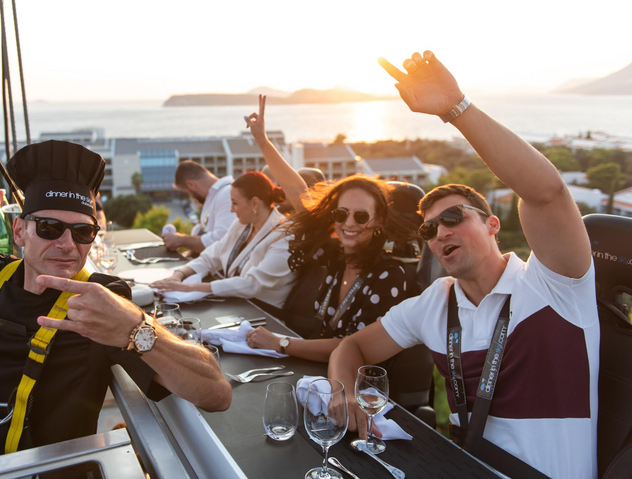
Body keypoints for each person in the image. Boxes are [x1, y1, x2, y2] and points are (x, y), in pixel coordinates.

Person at [0, 140, 231, 464]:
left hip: (56, 470)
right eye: (50, 228)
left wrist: (136, 329)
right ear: (20, 232)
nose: (68, 244)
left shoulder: (104, 301)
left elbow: (215, 393)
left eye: (84, 231)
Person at [329, 51, 597, 479]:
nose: (440, 233)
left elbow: (547, 192)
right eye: (429, 230)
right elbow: (352, 347)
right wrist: (343, 393)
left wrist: (457, 109)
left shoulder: (557, 286)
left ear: (493, 225)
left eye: (454, 218)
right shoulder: (436, 301)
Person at [243, 95, 420, 364]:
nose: (349, 223)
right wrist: (263, 142)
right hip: (319, 375)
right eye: (341, 213)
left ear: (379, 220)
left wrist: (281, 343)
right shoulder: (337, 257)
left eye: (361, 216)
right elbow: (297, 193)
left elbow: (352, 347)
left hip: (361, 389)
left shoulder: (390, 275)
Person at [151, 171, 297, 309]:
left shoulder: (284, 236)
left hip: (264, 315)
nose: (232, 210)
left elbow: (251, 284)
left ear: (255, 203)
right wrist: (178, 276)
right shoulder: (243, 224)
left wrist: (189, 288)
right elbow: (211, 256)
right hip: (236, 305)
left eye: (235, 203)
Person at [163, 160, 236, 254]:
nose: (191, 197)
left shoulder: (227, 194)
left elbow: (220, 242)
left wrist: (180, 240)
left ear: (191, 184)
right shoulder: (213, 197)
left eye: (187, 192)